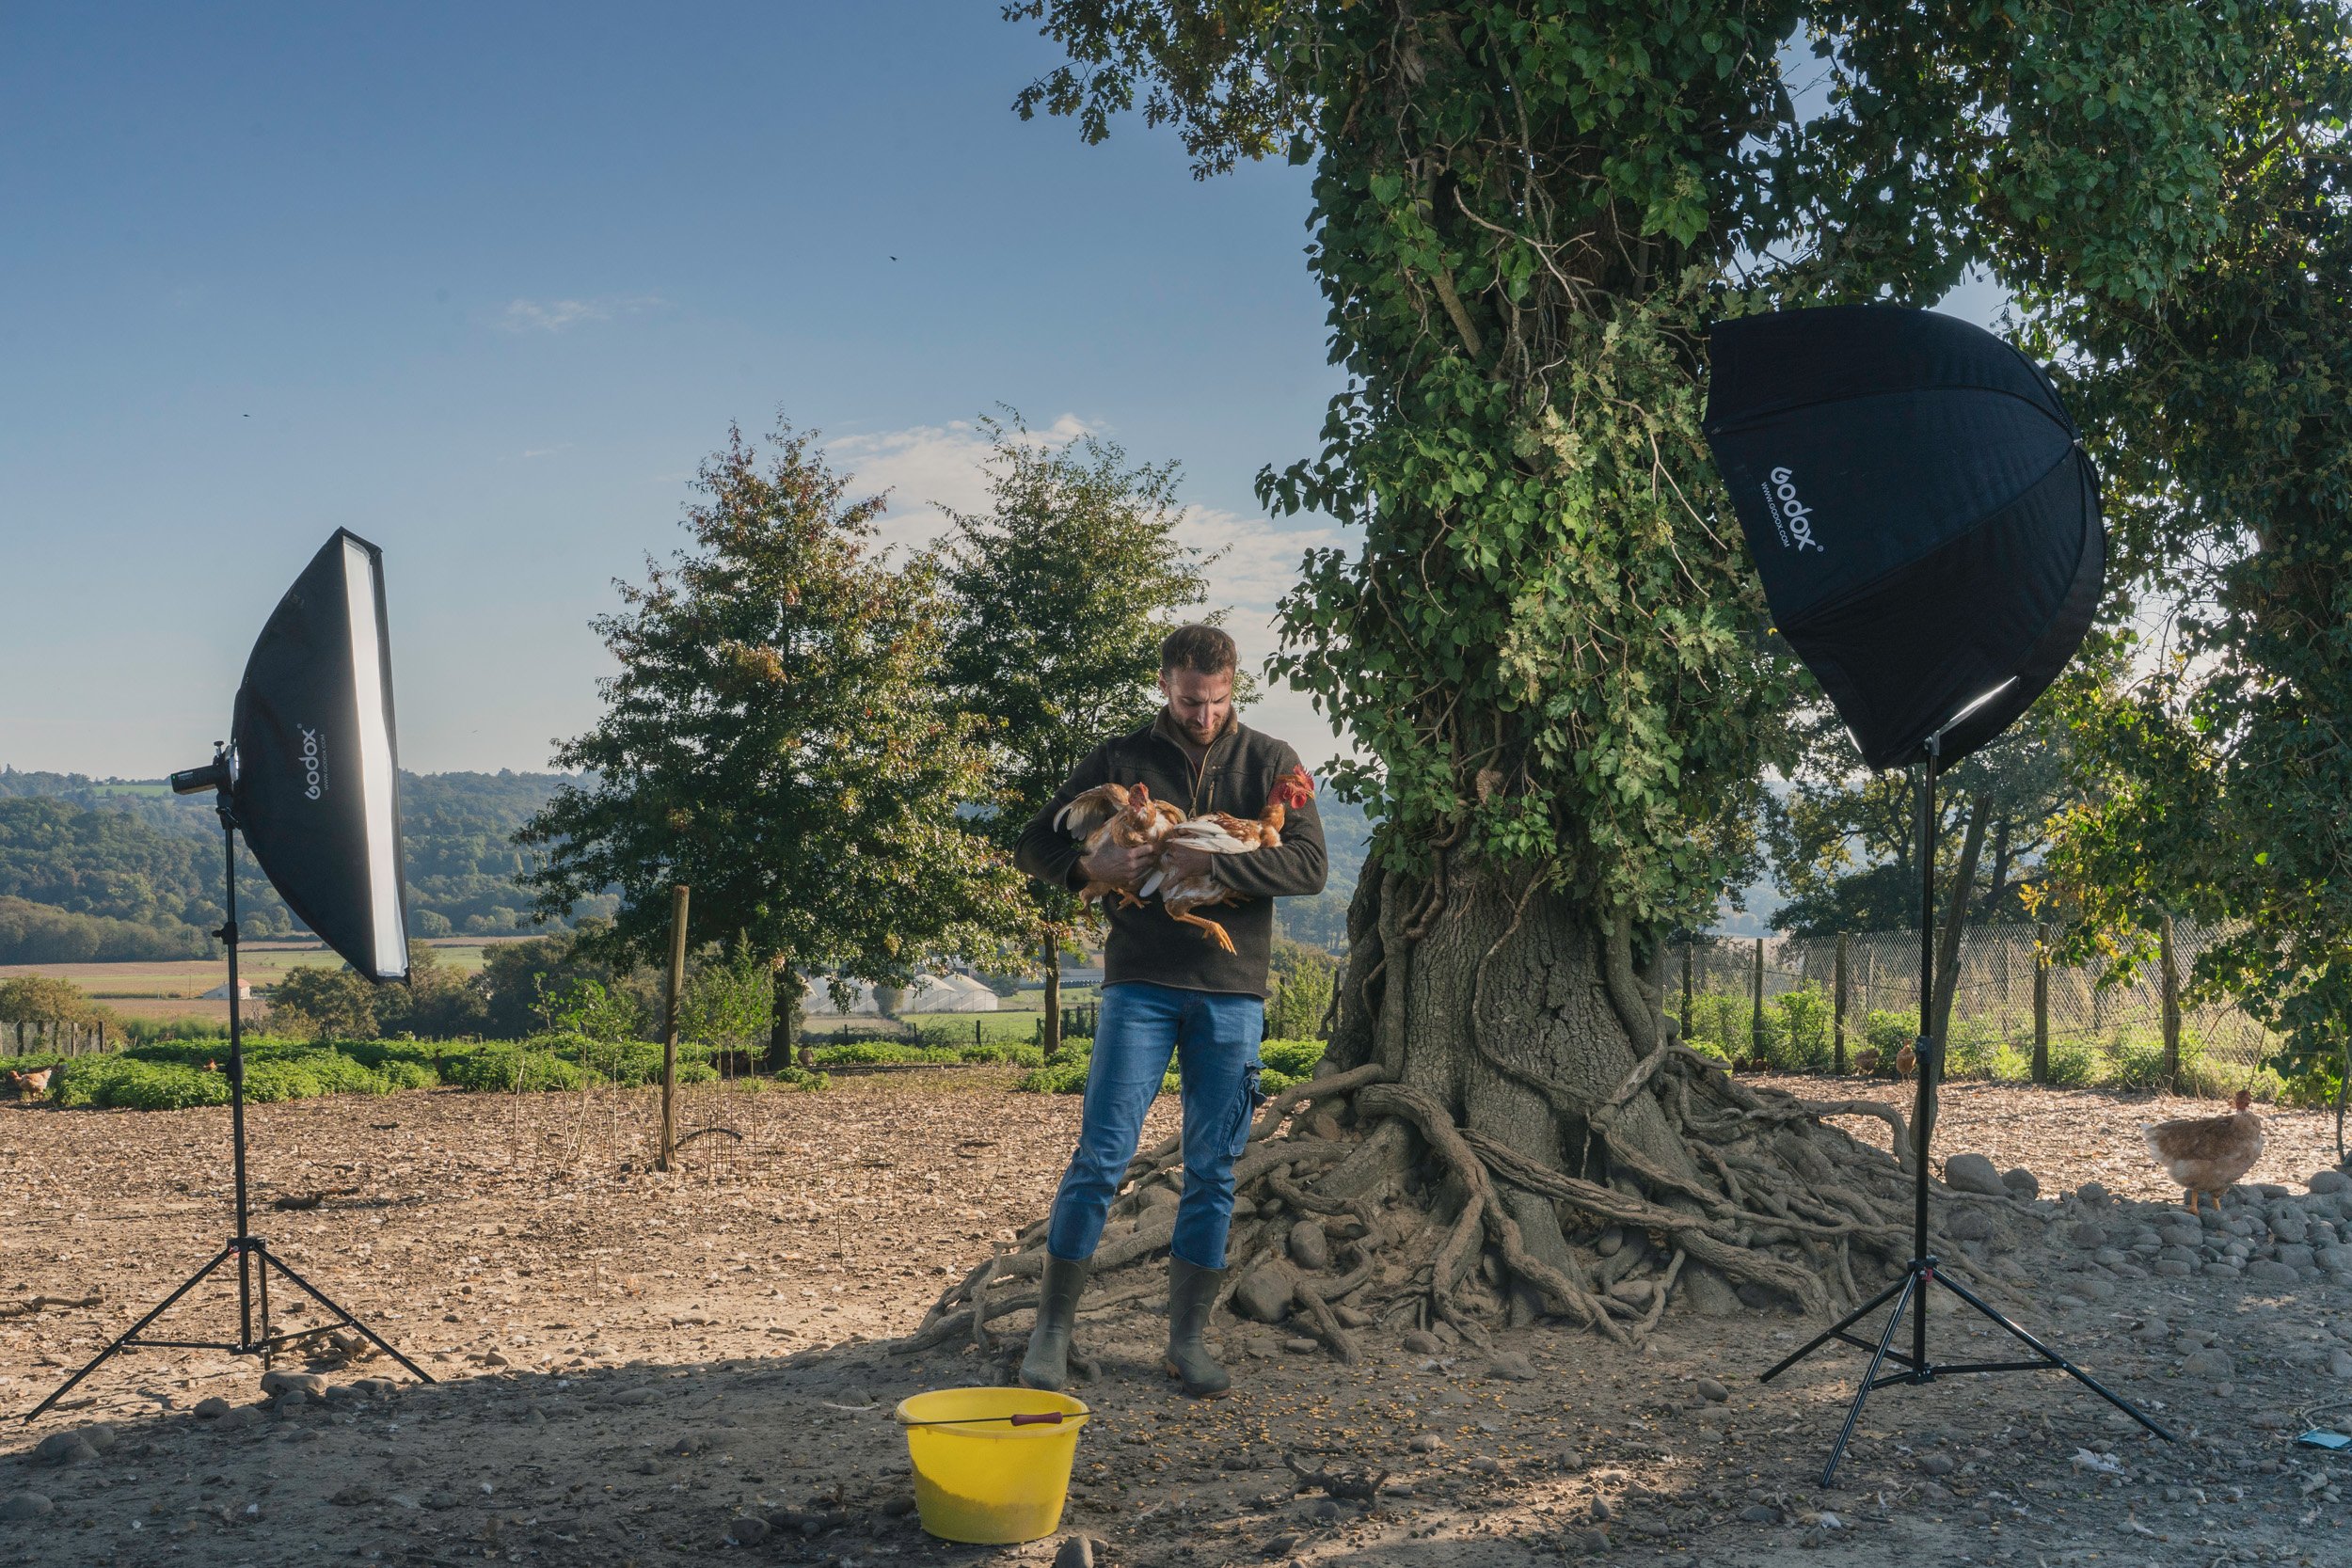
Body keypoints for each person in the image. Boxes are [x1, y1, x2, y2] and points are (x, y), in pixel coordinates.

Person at [1011, 625, 1327, 1396]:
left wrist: (1220, 860)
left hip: (1232, 990)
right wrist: (1093, 863)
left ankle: (1188, 1339)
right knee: (1102, 1157)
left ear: (1233, 688)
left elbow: (1311, 864)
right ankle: (1052, 1333)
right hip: (1140, 985)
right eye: (1191, 699)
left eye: (1218, 701)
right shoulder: (1120, 759)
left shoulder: (1272, 760)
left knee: (1213, 1168)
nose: (1205, 714)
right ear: (1165, 684)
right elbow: (1032, 844)